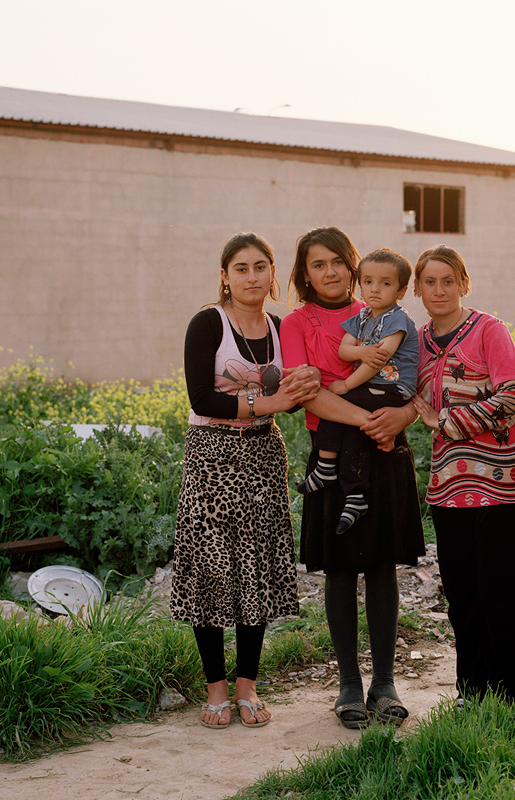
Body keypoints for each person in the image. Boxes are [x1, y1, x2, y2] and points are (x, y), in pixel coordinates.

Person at [169, 232, 319, 729]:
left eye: (260, 267)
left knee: (256, 565)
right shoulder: (207, 323)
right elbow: (201, 399)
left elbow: (297, 391)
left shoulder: (281, 328)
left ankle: (248, 685)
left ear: (272, 273)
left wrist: (300, 391)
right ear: (225, 276)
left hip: (263, 454)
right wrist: (269, 402)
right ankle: (215, 689)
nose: (251, 277)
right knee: (212, 567)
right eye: (241, 268)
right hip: (211, 455)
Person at [280, 227, 425, 729]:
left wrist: (401, 417)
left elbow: (416, 380)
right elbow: (308, 394)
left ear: (354, 265)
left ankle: (384, 683)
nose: (331, 272)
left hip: (386, 448)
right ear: (305, 272)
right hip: (334, 456)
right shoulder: (296, 323)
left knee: (383, 567)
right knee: (340, 570)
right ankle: (348, 685)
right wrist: (369, 419)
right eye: (318, 264)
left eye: (339, 261)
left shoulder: (380, 309)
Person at [410, 244, 515, 704]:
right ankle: (472, 694)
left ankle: (510, 700)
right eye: (430, 282)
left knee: (499, 593)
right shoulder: (416, 343)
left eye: (449, 280)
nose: (440, 289)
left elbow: (514, 397)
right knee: (462, 596)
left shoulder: (490, 331)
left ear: (464, 284)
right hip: (449, 488)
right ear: (418, 290)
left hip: (504, 484)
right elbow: (401, 392)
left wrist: (444, 421)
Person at [296, 248, 419, 534]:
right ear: (360, 283)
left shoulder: (397, 320)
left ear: (400, 291)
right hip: (373, 386)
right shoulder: (363, 317)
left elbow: (377, 361)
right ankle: (355, 495)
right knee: (350, 428)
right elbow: (345, 349)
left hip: (392, 388)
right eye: (368, 282)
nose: (374, 289)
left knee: (337, 401)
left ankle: (327, 467)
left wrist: (347, 383)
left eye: (385, 284)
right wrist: (362, 351)